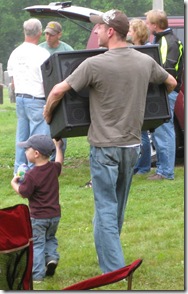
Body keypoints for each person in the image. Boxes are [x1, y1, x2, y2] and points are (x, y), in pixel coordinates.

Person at [43, 9, 177, 273]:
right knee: (115, 207)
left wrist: (48, 116)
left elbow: (58, 89)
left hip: (104, 148)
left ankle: (114, 271)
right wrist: (150, 108)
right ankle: (109, 256)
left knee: (105, 207)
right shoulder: (144, 62)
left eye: (99, 28)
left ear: (111, 31)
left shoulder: (95, 64)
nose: (96, 32)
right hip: (132, 147)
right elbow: (171, 82)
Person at [11, 134, 64, 282]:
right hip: (55, 215)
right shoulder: (53, 168)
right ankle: (52, 258)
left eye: (26, 149)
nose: (25, 151)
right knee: (51, 238)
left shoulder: (31, 175)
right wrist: (58, 147)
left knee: (38, 243)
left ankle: (37, 275)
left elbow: (23, 193)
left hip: (38, 218)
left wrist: (14, 183)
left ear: (36, 154)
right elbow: (59, 162)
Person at [7, 18, 51, 175]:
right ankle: (34, 173)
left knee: (22, 137)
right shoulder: (42, 53)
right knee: (37, 140)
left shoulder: (15, 52)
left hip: (20, 98)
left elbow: (12, 81)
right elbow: (47, 80)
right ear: (39, 32)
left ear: (24, 31)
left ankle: (19, 172)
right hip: (37, 99)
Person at [145, 9, 184, 180]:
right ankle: (162, 168)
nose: (146, 25)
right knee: (160, 130)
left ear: (155, 25)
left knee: (164, 129)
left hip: (166, 92)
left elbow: (166, 70)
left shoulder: (168, 42)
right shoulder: (162, 39)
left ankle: (166, 172)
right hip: (163, 92)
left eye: (148, 22)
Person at [39, 21, 74, 159]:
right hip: (44, 94)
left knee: (60, 127)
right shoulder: (40, 49)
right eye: (46, 34)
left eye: (52, 35)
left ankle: (57, 160)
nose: (48, 37)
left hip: (61, 94)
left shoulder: (67, 50)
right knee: (44, 130)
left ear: (59, 35)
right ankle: (44, 159)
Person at [128, 18, 152, 175]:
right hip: (134, 94)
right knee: (137, 132)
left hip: (144, 95)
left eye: (130, 30)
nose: (128, 33)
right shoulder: (133, 49)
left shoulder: (147, 50)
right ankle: (138, 165)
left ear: (136, 32)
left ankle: (143, 167)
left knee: (142, 133)